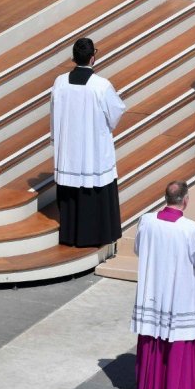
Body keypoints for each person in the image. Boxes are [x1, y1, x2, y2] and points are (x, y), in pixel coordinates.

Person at [131, 181, 195, 389]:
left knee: (152, 338)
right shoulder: (190, 229)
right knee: (179, 341)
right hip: (179, 294)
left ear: (165, 198)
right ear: (185, 200)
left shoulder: (146, 221)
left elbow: (138, 249)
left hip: (153, 291)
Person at [50, 37, 125, 247]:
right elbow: (116, 112)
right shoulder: (101, 85)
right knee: (94, 188)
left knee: (71, 192)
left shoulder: (60, 82)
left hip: (69, 150)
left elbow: (54, 113)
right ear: (93, 57)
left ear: (74, 58)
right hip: (93, 149)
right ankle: (94, 236)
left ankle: (70, 235)